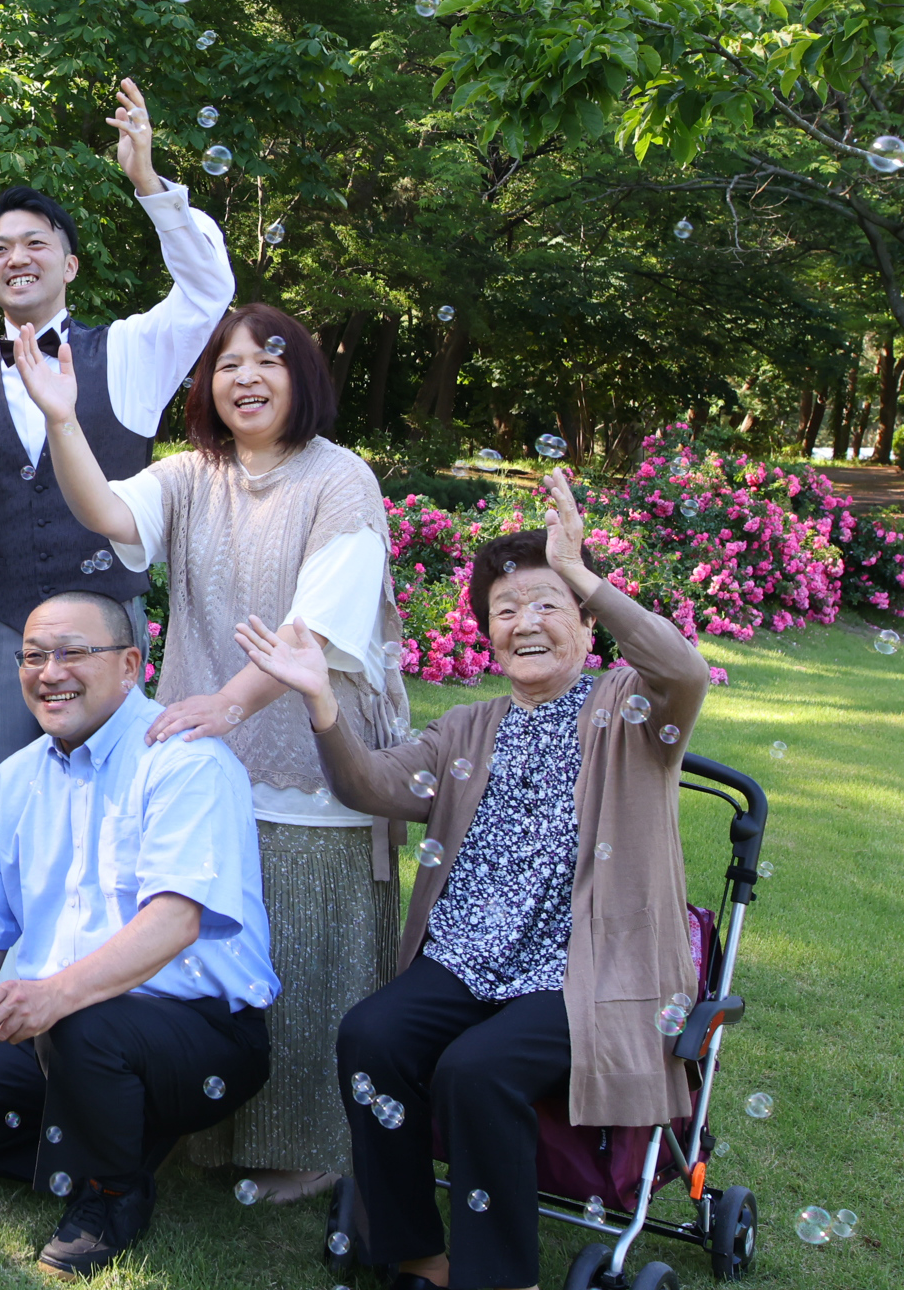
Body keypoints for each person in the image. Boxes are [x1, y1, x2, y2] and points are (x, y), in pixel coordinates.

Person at [239, 468, 710, 1290]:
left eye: (547, 604)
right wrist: (320, 704)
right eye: (504, 610)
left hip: (580, 977)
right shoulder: (467, 728)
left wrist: (581, 571)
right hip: (466, 959)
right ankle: (418, 1255)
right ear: (487, 634)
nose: (525, 623)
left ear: (585, 622)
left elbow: (686, 672)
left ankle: (499, 1279)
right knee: (371, 1037)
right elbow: (371, 785)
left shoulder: (630, 711)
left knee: (475, 1070)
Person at [10, 303, 409, 1204]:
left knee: (303, 954)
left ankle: (311, 1147)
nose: (245, 377)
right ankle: (209, 1131)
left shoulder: (340, 478)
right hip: (206, 762)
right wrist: (63, 419)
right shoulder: (193, 474)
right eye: (227, 364)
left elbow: (319, 625)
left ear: (303, 377)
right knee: (206, 944)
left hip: (308, 761)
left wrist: (232, 702)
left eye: (267, 360)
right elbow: (107, 510)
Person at [0, 591, 279, 1281]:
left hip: (196, 1032)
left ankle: (110, 1196)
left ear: (129, 665)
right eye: (33, 656)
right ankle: (100, 1146)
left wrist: (53, 996)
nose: (49, 672)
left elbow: (176, 920)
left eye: (72, 653)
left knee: (84, 1023)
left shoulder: (185, 764)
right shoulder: (13, 782)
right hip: (57, 1033)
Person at [0, 79, 234, 774]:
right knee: (1, 790)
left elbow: (209, 291)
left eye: (36, 243)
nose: (17, 258)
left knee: (113, 793)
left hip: (107, 629)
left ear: (69, 265)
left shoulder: (130, 352)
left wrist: (148, 181)